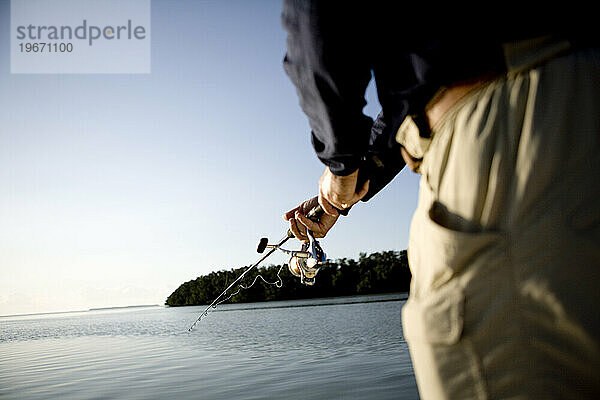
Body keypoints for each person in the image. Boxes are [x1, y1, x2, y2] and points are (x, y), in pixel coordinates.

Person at [279, 2, 600, 399]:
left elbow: (317, 19)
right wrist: (355, 180)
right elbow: (401, 110)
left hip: (501, 124)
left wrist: (341, 163)